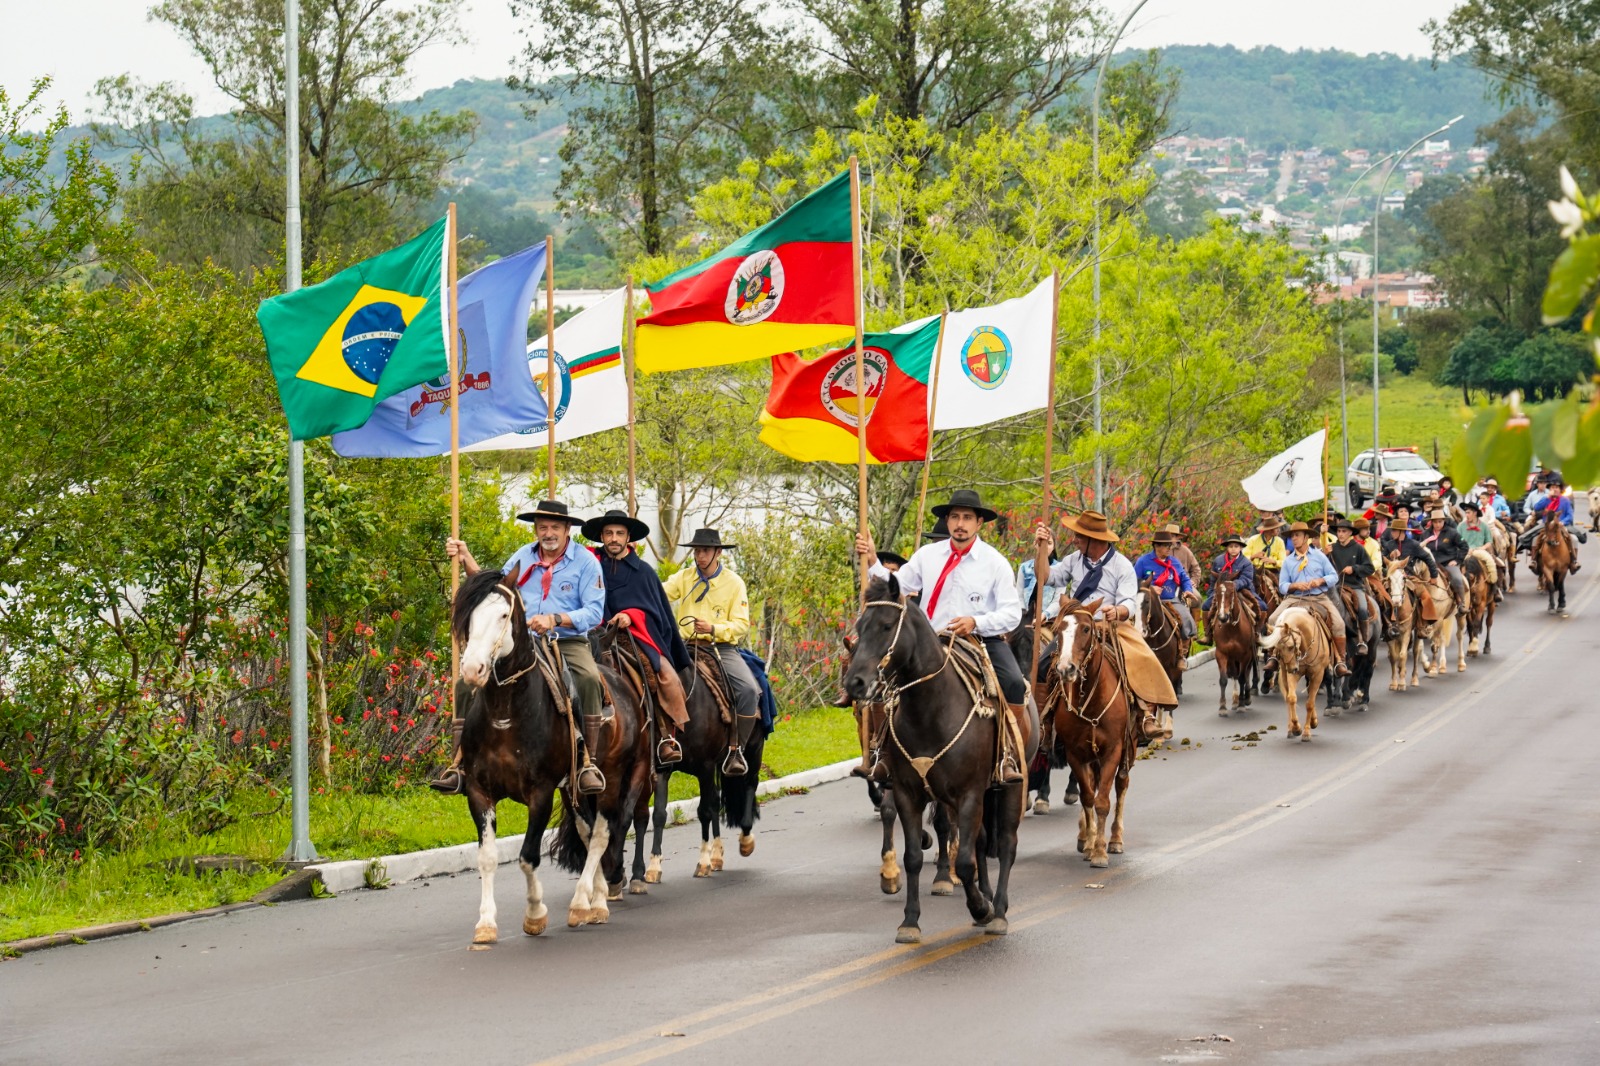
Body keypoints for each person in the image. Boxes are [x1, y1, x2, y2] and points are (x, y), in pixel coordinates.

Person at [856, 490, 1027, 782]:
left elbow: (1012, 613)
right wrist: (873, 561)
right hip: (931, 641)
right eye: (955, 517)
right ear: (947, 521)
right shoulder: (927, 555)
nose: (961, 524)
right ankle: (883, 754)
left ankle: (1007, 756)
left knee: (1012, 683)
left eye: (967, 518)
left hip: (979, 641)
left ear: (979, 523)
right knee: (885, 682)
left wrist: (976, 621)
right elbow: (897, 585)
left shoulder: (994, 562)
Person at [440, 500, 608, 795]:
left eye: (555, 526)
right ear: (536, 529)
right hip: (520, 642)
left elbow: (594, 613)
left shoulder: (586, 562)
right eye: (542, 527)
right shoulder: (523, 556)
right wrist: (466, 557)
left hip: (564, 640)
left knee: (588, 679)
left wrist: (556, 618)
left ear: (568, 529)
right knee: (465, 684)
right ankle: (459, 763)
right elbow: (496, 591)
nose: (548, 532)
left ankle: (587, 762)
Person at [1033, 510, 1180, 741]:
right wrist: (1041, 550)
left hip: (1109, 624)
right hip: (1078, 624)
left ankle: (1145, 713)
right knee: (1043, 663)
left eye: (1079, 536)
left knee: (1139, 657)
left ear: (1095, 540)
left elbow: (1129, 602)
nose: (1075, 540)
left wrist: (1117, 610)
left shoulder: (1122, 565)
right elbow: (1046, 577)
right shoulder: (1073, 559)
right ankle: (1043, 722)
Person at [582, 509, 694, 765]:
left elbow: (656, 612)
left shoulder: (643, 572)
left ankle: (666, 735)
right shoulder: (589, 565)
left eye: (619, 533)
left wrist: (631, 615)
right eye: (608, 533)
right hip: (590, 632)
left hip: (632, 635)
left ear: (628, 537)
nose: (613, 538)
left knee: (661, 675)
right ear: (601, 535)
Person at [662, 529, 763, 776]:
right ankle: (660, 742)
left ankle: (736, 749)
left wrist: (713, 628)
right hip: (684, 648)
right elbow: (660, 592)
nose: (700, 556)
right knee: (652, 678)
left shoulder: (734, 583)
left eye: (705, 551)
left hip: (721, 648)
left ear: (718, 552)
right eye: (697, 551)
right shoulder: (684, 578)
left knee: (749, 690)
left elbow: (740, 625)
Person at [1263, 521, 1352, 677]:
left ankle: (1340, 661)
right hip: (1294, 598)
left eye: (1297, 535)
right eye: (1292, 536)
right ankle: (1273, 656)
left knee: (1339, 623)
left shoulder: (1319, 556)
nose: (1294, 539)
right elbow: (1282, 585)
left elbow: (1333, 577)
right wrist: (1295, 585)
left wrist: (1320, 581)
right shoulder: (1288, 561)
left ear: (1306, 537)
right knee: (1272, 619)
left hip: (1319, 597)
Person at [1133, 529, 1200, 642]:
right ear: (1156, 546)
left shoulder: (1174, 562)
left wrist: (1188, 590)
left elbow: (1184, 578)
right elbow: (1134, 581)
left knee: (1186, 619)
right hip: (1148, 602)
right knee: (1133, 622)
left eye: (1170, 545)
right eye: (1166, 545)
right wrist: (1150, 588)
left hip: (1169, 600)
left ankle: (1182, 651)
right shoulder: (1143, 561)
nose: (1169, 548)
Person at [1202, 533, 1265, 633]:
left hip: (1243, 589)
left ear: (1240, 548)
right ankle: (1208, 633)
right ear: (1227, 548)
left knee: (1263, 606)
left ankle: (1258, 631)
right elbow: (1213, 580)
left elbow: (1246, 579)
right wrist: (1211, 593)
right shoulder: (1218, 561)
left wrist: (1233, 585)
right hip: (1222, 590)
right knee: (1205, 606)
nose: (1233, 549)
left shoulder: (1246, 562)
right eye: (1231, 546)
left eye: (1236, 546)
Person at [1327, 518, 1375, 647]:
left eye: (1344, 531)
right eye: (1338, 531)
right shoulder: (1331, 549)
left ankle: (1362, 640)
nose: (1340, 534)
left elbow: (1370, 568)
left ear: (1350, 533)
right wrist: (1324, 554)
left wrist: (1354, 569)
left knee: (1363, 609)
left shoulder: (1358, 549)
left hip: (1354, 586)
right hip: (1334, 586)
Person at [1524, 478, 1585, 573]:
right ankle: (1534, 561)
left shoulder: (1565, 501)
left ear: (1560, 489)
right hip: (1546, 525)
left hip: (1561, 525)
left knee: (1574, 539)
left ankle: (1574, 561)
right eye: (1552, 487)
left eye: (1557, 487)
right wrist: (1547, 497)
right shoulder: (1546, 499)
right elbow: (1536, 508)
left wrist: (1563, 522)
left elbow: (1570, 515)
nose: (1555, 489)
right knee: (1535, 539)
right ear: (1550, 489)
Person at [1420, 509, 1470, 609]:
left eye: (1440, 521)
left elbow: (1464, 546)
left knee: (1457, 578)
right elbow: (1420, 549)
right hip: (1430, 563)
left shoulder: (1452, 533)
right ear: (1432, 522)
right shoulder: (1425, 534)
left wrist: (1457, 560)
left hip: (1447, 563)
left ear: (1444, 521)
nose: (1438, 524)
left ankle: (1461, 603)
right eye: (1435, 522)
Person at [1456, 500, 1504, 601]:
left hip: (1480, 550)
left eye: (1468, 512)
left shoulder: (1484, 526)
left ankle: (1495, 588)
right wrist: (1464, 549)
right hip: (1466, 551)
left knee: (1493, 562)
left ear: (1475, 513)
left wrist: (1482, 548)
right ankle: (1455, 591)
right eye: (1466, 513)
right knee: (1454, 565)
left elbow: (1489, 541)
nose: (1466, 515)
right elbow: (1457, 540)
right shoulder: (1461, 526)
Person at [1016, 549, 1063, 623]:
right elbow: (1019, 596)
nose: (1045, 547)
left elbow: (1058, 601)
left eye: (1049, 543)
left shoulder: (1060, 569)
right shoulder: (1024, 568)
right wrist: (1024, 614)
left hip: (1048, 621)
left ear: (1053, 547)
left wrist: (1044, 615)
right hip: (1024, 619)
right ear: (1035, 545)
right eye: (1040, 544)